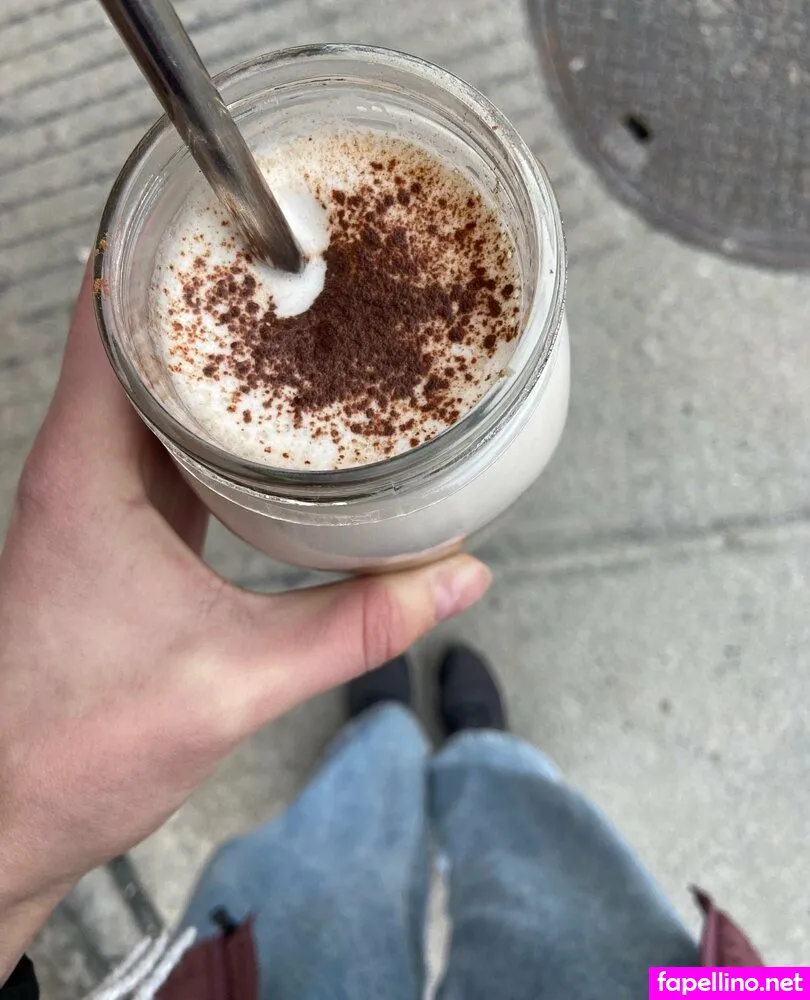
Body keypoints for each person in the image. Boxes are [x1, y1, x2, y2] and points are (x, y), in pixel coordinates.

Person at [0, 271, 761, 1000]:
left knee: (329, 866)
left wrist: (18, 834)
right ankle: (482, 753)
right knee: (555, 857)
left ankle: (382, 739)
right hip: (694, 993)